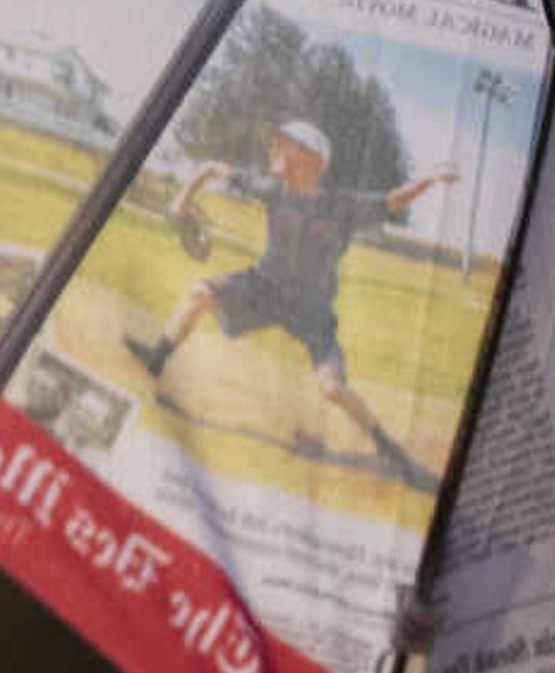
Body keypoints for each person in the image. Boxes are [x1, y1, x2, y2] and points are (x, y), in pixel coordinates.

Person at [126, 117, 456, 486]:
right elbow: (209, 168)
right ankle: (154, 363)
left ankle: (390, 451)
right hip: (264, 287)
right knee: (200, 294)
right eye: (276, 144)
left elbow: (394, 201)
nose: (274, 150)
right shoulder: (272, 188)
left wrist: (432, 179)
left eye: (285, 146)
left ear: (312, 159)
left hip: (312, 312)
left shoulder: (341, 206)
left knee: (333, 389)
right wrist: (181, 201)